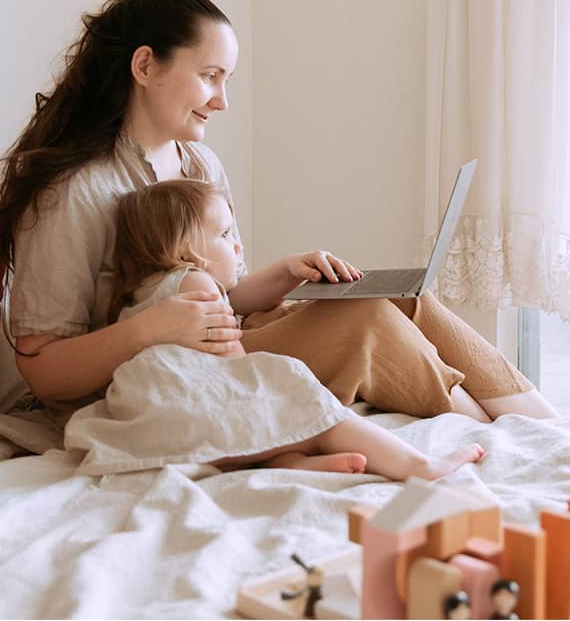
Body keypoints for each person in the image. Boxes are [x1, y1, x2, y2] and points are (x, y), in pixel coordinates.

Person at [0, 0, 557, 424]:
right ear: (145, 65)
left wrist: (286, 274)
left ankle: (537, 420)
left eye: (227, 81)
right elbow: (42, 368)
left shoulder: (200, 163)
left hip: (223, 345)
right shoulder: (74, 191)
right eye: (210, 76)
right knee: (362, 325)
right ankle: (489, 434)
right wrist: (147, 330)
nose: (222, 101)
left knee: (403, 297)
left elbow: (216, 300)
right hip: (157, 381)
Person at [97, 177, 483, 480]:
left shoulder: (140, 294)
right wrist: (274, 391)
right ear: (185, 254)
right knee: (302, 397)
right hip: (189, 399)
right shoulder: (196, 283)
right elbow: (235, 366)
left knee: (284, 411)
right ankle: (417, 465)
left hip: (158, 409)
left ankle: (287, 459)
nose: (237, 247)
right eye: (225, 235)